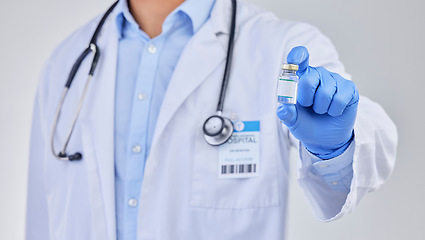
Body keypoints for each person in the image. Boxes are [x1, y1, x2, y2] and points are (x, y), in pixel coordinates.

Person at [26, 0, 398, 239]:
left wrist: (335, 145)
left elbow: (369, 128)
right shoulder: (66, 61)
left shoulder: (278, 47)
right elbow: (42, 219)